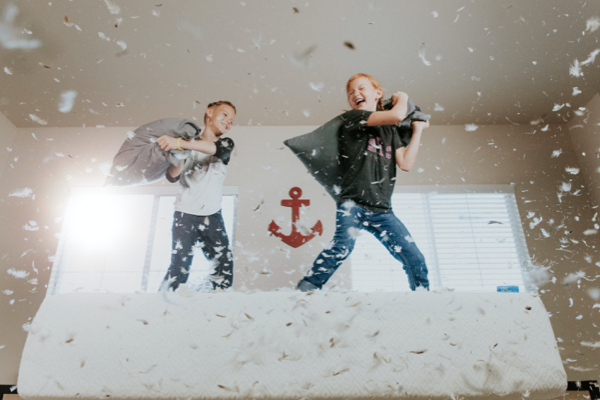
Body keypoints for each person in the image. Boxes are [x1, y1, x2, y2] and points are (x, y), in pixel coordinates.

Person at [296, 73, 430, 292]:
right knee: (341, 247)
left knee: (414, 258)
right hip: (353, 204)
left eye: (361, 88)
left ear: (378, 93)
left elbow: (405, 163)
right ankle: (303, 293)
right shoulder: (354, 118)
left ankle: (425, 298)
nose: (355, 94)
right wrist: (403, 97)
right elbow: (397, 114)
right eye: (351, 92)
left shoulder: (391, 131)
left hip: (383, 210)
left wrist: (416, 130)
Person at [157, 101, 236, 291]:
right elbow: (172, 176)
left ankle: (217, 308)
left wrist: (180, 143)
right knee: (179, 268)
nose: (228, 121)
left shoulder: (225, 143)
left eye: (232, 120)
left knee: (224, 267)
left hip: (212, 216)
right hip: (184, 215)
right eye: (224, 115)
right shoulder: (187, 145)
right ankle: (160, 306)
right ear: (209, 112)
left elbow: (216, 150)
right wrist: (180, 150)